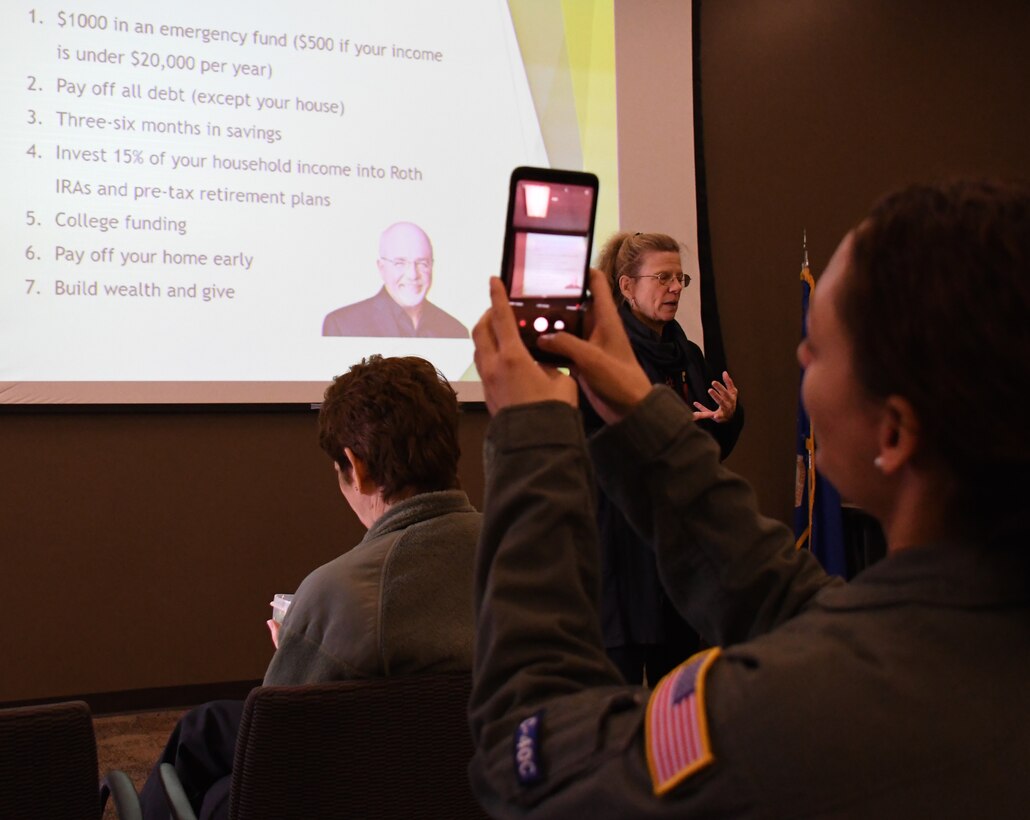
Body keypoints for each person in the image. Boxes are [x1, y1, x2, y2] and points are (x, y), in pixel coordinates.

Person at [468, 179, 1030, 817]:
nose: (800, 355)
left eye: (816, 346)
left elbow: (531, 761)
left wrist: (531, 439)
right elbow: (803, 607)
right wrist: (642, 416)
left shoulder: (792, 715)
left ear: (894, 433)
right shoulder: (967, 633)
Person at [139, 355, 481, 820]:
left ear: (355, 467)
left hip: (358, 789)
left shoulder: (341, 592)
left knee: (214, 787)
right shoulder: (529, 558)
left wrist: (298, 645)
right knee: (204, 728)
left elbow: (279, 756)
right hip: (481, 782)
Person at [591, 231, 743, 686]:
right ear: (625, 287)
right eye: (662, 277)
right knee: (618, 695)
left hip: (680, 550)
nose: (675, 288)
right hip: (624, 546)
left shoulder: (689, 354)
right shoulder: (606, 355)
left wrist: (724, 419)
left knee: (677, 696)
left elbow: (707, 449)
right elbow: (600, 447)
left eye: (680, 278)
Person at [322, 221, 469, 338]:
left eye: (422, 263)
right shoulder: (342, 325)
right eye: (400, 263)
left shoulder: (456, 331)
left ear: (432, 266)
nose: (412, 274)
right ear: (381, 267)